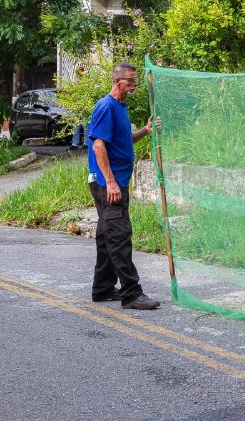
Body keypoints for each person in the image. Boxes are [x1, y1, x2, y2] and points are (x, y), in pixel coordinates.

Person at [87, 62, 160, 310]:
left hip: (115, 183)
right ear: (118, 81)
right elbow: (99, 146)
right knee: (119, 236)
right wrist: (110, 182)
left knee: (107, 237)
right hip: (109, 185)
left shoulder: (120, 107)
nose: (135, 86)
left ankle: (103, 288)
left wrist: (146, 131)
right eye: (131, 81)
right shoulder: (106, 106)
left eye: (136, 81)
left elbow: (123, 140)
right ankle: (131, 293)